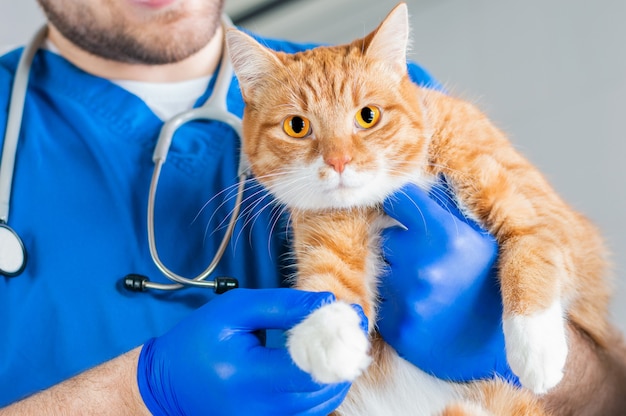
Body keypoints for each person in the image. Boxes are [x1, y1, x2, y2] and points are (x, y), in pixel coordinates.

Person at [0, 0, 624, 414]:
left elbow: (607, 396)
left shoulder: (390, 92)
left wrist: (508, 339)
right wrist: (138, 392)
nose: (341, 153)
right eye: (298, 127)